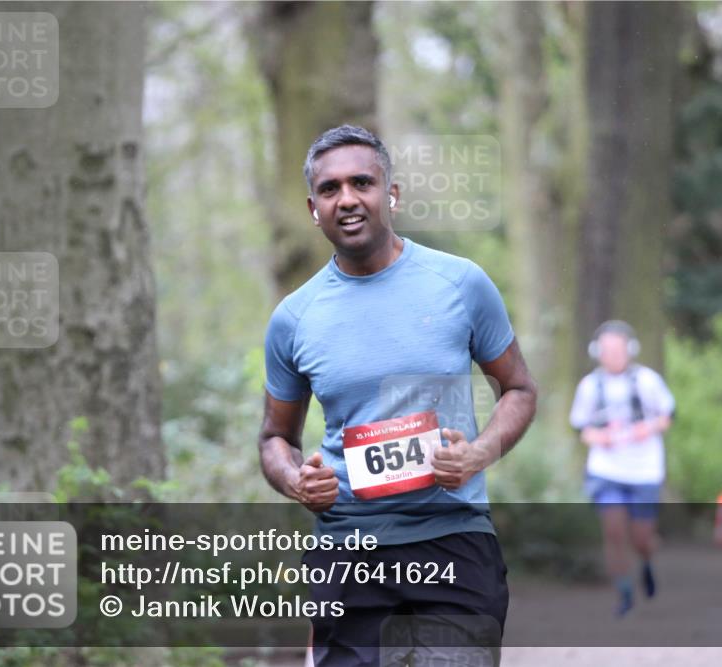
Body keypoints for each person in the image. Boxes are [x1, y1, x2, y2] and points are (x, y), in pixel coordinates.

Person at [258, 125, 537, 666]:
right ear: (313, 209)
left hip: (452, 540)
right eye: (330, 189)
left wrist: (479, 452)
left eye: (362, 183)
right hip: (348, 550)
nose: (347, 199)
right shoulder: (294, 318)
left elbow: (519, 388)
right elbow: (275, 437)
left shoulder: (460, 284)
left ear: (392, 194)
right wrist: (296, 480)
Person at [568, 320, 675, 618]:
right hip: (606, 470)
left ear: (630, 350)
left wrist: (646, 429)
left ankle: (646, 560)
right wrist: (600, 437)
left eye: (617, 349)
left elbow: (667, 416)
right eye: (607, 350)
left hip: (644, 470)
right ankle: (624, 591)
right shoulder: (590, 386)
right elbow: (581, 427)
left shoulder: (648, 381)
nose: (612, 356)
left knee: (641, 537)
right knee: (613, 531)